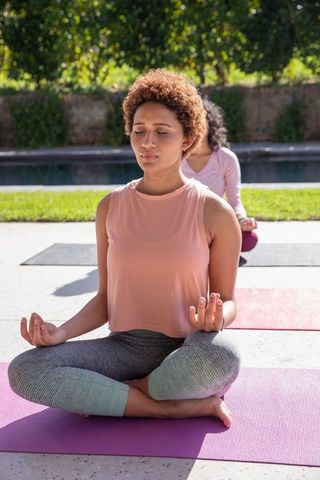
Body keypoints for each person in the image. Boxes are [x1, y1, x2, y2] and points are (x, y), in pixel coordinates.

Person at [8, 69, 241, 428]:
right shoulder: (110, 207)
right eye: (139, 131)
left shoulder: (214, 211)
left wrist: (216, 318)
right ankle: (169, 406)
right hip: (123, 349)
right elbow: (105, 299)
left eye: (162, 133)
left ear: (187, 139)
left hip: (187, 348)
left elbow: (227, 301)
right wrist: (61, 333)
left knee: (222, 357)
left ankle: (115, 395)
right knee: (26, 369)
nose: (147, 142)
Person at [181, 98, 258, 254]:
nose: (194, 129)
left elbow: (234, 201)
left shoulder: (226, 158)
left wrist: (243, 220)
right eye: (189, 124)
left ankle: (205, 247)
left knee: (250, 238)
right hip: (183, 223)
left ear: (209, 125)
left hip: (215, 222)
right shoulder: (175, 157)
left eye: (199, 123)